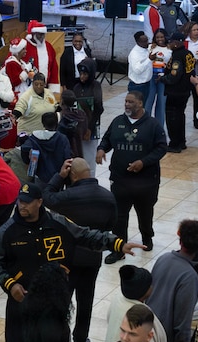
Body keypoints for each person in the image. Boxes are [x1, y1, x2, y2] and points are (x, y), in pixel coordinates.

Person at [0, 182, 136, 342]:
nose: (22, 205)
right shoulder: (8, 230)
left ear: (39, 202)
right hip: (21, 300)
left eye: (27, 201)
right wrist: (9, 283)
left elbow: (86, 235)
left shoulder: (58, 222)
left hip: (54, 302)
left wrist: (116, 243)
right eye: (20, 201)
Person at [43, 157, 118, 342]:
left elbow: (46, 197)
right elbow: (111, 226)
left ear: (72, 175)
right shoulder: (108, 197)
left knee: (62, 299)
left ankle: (59, 338)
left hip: (66, 259)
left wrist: (58, 178)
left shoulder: (67, 197)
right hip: (92, 257)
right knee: (86, 298)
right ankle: (80, 340)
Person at [97, 91, 168, 262]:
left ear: (141, 104)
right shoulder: (118, 121)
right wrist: (101, 149)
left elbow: (161, 148)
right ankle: (119, 249)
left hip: (145, 182)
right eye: (126, 102)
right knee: (119, 216)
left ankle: (147, 237)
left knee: (145, 213)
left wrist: (143, 162)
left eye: (131, 102)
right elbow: (107, 139)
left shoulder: (153, 125)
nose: (127, 105)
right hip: (120, 180)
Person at [146, 219, 198, 342]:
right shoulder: (189, 276)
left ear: (180, 240)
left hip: (148, 327)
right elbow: (182, 319)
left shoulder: (163, 258)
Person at [106, 266, 170, 342]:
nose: (152, 287)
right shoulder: (140, 317)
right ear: (144, 291)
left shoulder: (117, 299)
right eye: (150, 285)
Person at [164, 31, 196, 152]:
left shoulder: (177, 55)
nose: (169, 43)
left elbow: (174, 75)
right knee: (180, 116)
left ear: (177, 43)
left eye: (171, 41)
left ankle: (175, 144)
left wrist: (162, 79)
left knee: (173, 118)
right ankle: (181, 142)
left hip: (175, 91)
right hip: (186, 90)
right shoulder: (188, 53)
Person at [72, 58, 105, 172]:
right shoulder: (76, 87)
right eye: (81, 73)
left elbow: (98, 109)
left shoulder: (95, 86)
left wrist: (89, 129)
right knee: (78, 158)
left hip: (91, 128)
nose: (82, 77)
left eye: (85, 74)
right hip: (78, 128)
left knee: (89, 159)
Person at [22, 20, 58, 88]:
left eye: (43, 34)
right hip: (26, 88)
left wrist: (53, 86)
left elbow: (54, 68)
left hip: (45, 88)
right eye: (39, 34)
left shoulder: (48, 47)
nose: (42, 37)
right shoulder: (23, 46)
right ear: (33, 34)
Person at [147, 29, 172, 122]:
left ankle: (159, 126)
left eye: (161, 37)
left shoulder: (170, 49)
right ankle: (146, 124)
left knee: (161, 102)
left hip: (163, 78)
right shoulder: (150, 47)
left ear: (165, 37)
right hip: (151, 76)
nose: (159, 39)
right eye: (157, 37)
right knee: (149, 101)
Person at [58, 88, 90, 159]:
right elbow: (84, 131)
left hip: (65, 153)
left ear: (62, 101)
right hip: (79, 151)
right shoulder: (82, 115)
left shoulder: (61, 116)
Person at [128, 31, 154, 101]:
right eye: (144, 41)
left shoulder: (145, 48)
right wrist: (149, 59)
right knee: (135, 108)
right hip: (137, 86)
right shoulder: (134, 54)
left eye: (147, 40)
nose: (147, 43)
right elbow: (137, 70)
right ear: (138, 42)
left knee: (142, 107)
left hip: (146, 84)